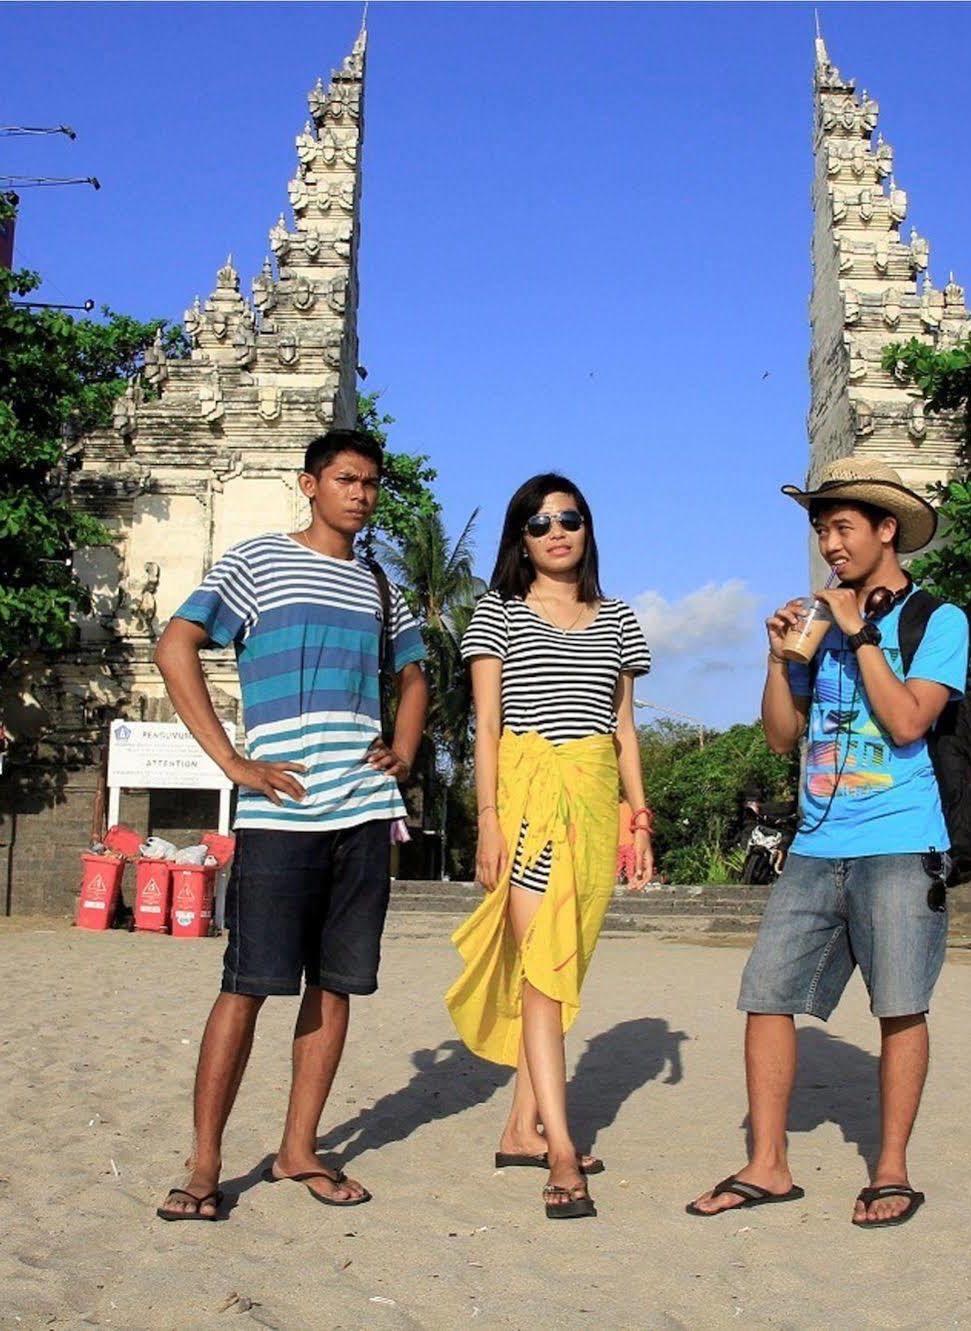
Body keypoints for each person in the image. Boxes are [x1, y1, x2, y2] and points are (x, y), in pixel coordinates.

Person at [151, 428, 429, 1223]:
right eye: (346, 478)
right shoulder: (257, 564)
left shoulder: (381, 584)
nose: (361, 493)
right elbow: (178, 645)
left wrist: (403, 748)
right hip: (280, 811)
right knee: (246, 985)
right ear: (309, 485)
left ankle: (297, 1147)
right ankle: (204, 1165)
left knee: (335, 984)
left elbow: (413, 673)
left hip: (364, 813)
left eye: (371, 482)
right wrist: (234, 764)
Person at [687, 456, 968, 1230]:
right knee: (764, 995)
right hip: (814, 844)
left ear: (886, 530)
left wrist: (862, 634)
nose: (829, 543)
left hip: (901, 841)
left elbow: (911, 721)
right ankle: (767, 1164)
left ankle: (890, 1169)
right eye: (820, 529)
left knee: (900, 1005)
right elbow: (783, 735)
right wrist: (780, 658)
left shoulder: (936, 620)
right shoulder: (815, 622)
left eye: (841, 527)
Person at [447, 474, 655, 1221]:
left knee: (568, 963)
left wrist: (639, 816)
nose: (556, 530)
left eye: (569, 518)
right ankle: (561, 1149)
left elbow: (623, 728)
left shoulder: (620, 618)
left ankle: (518, 1128)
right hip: (529, 803)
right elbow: (485, 724)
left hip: (596, 805)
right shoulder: (496, 614)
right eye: (539, 522)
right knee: (543, 971)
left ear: (587, 527)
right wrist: (488, 822)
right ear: (520, 538)